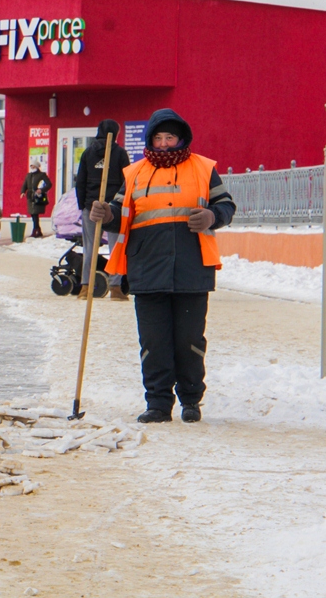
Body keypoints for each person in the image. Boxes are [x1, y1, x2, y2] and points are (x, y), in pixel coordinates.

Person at [90, 109, 236, 424]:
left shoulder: (203, 168)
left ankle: (191, 400)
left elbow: (226, 205)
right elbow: (120, 208)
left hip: (192, 268)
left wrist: (212, 216)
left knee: (189, 341)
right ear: (150, 139)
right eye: (159, 137)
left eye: (170, 137)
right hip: (146, 267)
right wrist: (106, 213)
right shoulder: (134, 173)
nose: (165, 143)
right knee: (154, 342)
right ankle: (157, 403)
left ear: (181, 138)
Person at [74, 120, 131, 300]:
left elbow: (80, 181)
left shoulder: (88, 153)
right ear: (116, 133)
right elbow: (127, 181)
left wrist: (82, 205)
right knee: (116, 248)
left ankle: (85, 287)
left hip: (91, 206)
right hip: (114, 208)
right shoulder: (120, 154)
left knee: (90, 247)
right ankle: (115, 288)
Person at [20, 162, 52, 237]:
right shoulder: (28, 175)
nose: (32, 167)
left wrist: (41, 190)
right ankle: (38, 230)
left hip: (38, 197)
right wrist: (22, 192)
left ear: (37, 167)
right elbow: (25, 184)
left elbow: (49, 184)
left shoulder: (42, 175)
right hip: (30, 197)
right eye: (31, 166)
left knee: (35, 213)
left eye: (33, 166)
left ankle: (35, 230)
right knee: (32, 213)